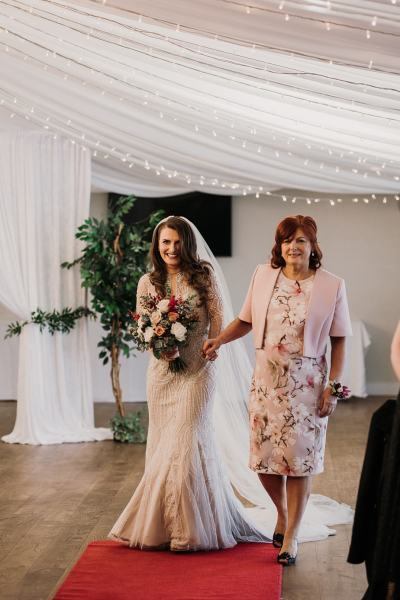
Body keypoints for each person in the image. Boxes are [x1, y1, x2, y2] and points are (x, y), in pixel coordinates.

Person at [109, 216, 269, 550]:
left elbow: (217, 317)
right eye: (165, 242)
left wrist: (214, 343)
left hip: (199, 370)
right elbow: (142, 328)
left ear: (188, 244)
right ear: (157, 245)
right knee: (163, 447)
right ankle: (162, 527)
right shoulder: (146, 283)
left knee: (186, 442)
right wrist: (157, 341)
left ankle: (191, 531)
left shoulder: (203, 275)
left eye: (177, 242)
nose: (171, 249)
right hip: (162, 375)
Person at [204, 215, 352, 565]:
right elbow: (245, 320)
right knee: (264, 461)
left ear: (313, 246)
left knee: (300, 463)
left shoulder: (332, 285)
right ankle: (282, 515)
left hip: (308, 385)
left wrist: (333, 386)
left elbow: (339, 339)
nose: (293, 246)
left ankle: (292, 537)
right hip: (266, 382)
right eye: (287, 240)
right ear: (279, 245)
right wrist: (219, 341)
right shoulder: (262, 276)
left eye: (301, 240)